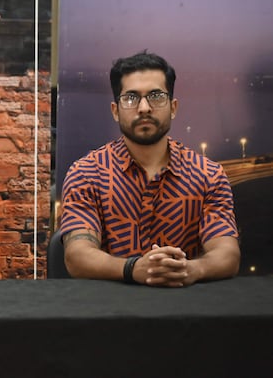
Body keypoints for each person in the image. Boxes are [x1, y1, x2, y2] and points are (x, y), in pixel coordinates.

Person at [59, 50, 240, 287]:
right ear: (115, 111)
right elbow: (77, 257)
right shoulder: (86, 174)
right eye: (131, 97)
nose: (144, 108)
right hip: (107, 312)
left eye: (155, 96)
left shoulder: (208, 175)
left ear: (173, 107)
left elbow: (228, 254)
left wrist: (192, 269)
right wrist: (132, 269)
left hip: (185, 310)